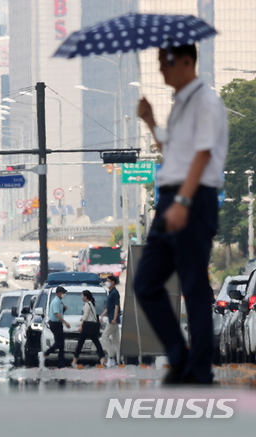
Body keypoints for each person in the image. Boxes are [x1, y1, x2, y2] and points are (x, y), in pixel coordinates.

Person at [135, 44, 227, 385]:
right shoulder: (181, 103)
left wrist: (183, 203)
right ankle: (179, 355)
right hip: (171, 197)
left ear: (186, 61)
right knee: (145, 283)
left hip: (193, 198)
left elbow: (202, 156)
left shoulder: (205, 101)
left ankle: (198, 370)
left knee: (193, 285)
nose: (161, 69)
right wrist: (150, 121)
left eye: (165, 62)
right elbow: (172, 150)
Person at [71, 290, 106, 367]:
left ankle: (74, 360)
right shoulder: (91, 304)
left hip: (87, 326)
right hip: (92, 326)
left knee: (80, 343)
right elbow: (89, 315)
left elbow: (86, 315)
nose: (82, 297)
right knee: (97, 343)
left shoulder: (87, 304)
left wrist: (81, 325)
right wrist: (83, 318)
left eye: (82, 295)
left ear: (85, 297)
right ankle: (102, 359)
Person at [39, 286, 70, 368]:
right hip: (55, 324)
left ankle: (61, 363)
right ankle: (45, 354)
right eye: (63, 293)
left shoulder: (59, 301)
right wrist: (65, 322)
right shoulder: (56, 301)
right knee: (58, 343)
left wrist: (63, 309)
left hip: (58, 324)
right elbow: (57, 313)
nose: (64, 294)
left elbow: (59, 311)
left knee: (61, 344)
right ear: (59, 293)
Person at [100, 275, 121, 367]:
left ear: (113, 282)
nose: (107, 282)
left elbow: (117, 306)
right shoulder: (111, 292)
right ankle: (120, 360)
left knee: (105, 336)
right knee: (116, 340)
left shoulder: (115, 292)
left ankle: (111, 357)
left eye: (108, 280)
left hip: (113, 320)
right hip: (112, 318)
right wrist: (102, 315)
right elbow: (109, 307)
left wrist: (115, 318)